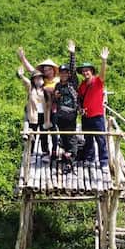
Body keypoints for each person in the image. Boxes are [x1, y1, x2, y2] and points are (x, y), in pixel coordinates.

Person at [77, 47, 109, 168]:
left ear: (92, 71)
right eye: (83, 71)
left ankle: (103, 162)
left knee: (100, 139)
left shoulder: (97, 81)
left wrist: (104, 61)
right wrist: (80, 109)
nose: (85, 73)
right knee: (88, 139)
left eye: (87, 71)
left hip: (97, 116)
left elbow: (102, 74)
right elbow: (79, 99)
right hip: (86, 116)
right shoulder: (82, 85)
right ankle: (89, 159)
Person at [17, 66, 53, 162]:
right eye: (36, 78)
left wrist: (48, 120)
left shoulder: (46, 90)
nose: (38, 80)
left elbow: (49, 104)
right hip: (33, 116)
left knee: (44, 135)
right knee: (32, 135)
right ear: (33, 80)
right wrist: (22, 76)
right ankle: (31, 153)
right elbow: (26, 82)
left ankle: (45, 153)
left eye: (40, 78)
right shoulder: (31, 89)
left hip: (44, 116)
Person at [54, 40, 80, 172]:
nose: (64, 74)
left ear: (68, 74)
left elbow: (73, 68)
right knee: (63, 137)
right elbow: (55, 99)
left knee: (71, 136)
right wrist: (56, 96)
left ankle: (71, 161)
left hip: (70, 114)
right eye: (61, 72)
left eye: (66, 72)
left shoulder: (73, 83)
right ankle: (66, 157)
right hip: (60, 114)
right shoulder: (58, 85)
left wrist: (72, 53)